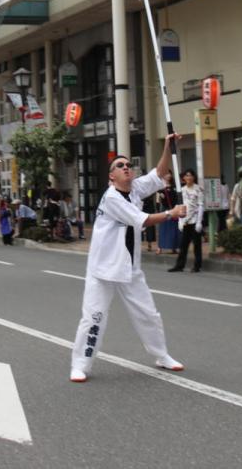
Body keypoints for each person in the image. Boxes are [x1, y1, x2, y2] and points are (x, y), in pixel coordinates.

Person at [70, 134, 188, 383]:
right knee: (93, 318)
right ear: (111, 176)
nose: (126, 168)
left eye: (128, 165)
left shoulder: (134, 188)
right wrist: (172, 213)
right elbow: (142, 219)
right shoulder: (111, 197)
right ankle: (80, 364)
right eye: (119, 166)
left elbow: (159, 173)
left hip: (129, 268)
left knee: (148, 314)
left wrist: (168, 146)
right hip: (102, 270)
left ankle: (161, 355)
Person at [169, 170, 204, 273]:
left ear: (194, 177)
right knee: (183, 245)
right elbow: (179, 206)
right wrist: (180, 220)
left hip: (195, 219)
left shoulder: (198, 189)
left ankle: (197, 266)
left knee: (197, 245)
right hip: (185, 220)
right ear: (183, 178)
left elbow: (201, 205)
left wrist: (199, 222)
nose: (188, 177)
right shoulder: (182, 190)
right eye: (186, 175)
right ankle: (179, 265)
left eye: (190, 175)